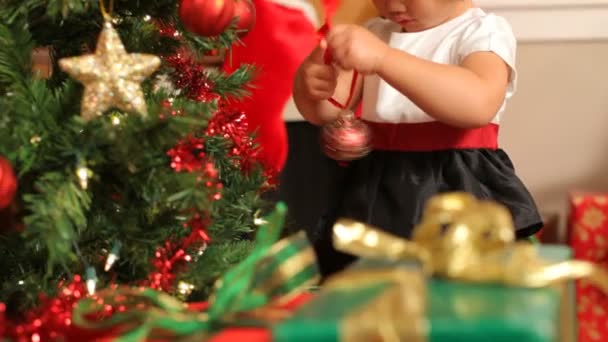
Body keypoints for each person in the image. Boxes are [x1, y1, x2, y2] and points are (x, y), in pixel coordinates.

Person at [292, 0, 543, 277]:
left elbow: (478, 103)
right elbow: (327, 111)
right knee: (370, 280)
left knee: (456, 281)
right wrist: (312, 85)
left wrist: (384, 59)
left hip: (454, 184)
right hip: (377, 187)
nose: (392, 4)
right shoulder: (375, 32)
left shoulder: (481, 32)